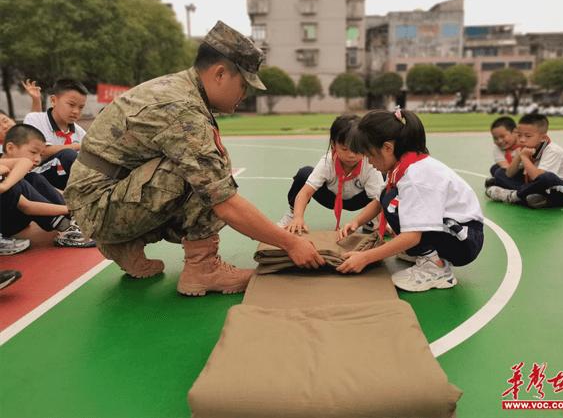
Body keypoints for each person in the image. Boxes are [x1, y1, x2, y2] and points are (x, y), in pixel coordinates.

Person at [64, 20, 324, 297]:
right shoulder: (182, 109)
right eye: (243, 85)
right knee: (207, 174)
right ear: (220, 74)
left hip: (97, 197)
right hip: (99, 205)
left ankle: (125, 244)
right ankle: (203, 269)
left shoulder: (177, 88)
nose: (244, 95)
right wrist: (290, 244)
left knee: (204, 165)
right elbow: (224, 203)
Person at [336, 108, 484, 293]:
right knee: (387, 198)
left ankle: (436, 268)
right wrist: (356, 221)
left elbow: (412, 236)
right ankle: (426, 254)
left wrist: (365, 257)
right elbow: (378, 200)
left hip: (463, 240)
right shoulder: (404, 165)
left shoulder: (416, 177)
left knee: (392, 206)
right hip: (454, 230)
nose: (368, 162)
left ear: (388, 148)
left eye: (370, 155)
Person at [277, 114, 384, 234]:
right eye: (345, 149)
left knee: (383, 186)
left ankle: (373, 220)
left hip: (358, 200)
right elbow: (305, 192)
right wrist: (298, 217)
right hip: (331, 199)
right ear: (333, 144)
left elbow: (379, 200)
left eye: (357, 149)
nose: (351, 155)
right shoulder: (327, 162)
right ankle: (292, 217)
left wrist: (384, 224)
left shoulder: (369, 164)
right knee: (304, 174)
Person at [1, 126, 95, 248]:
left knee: (34, 178)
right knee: (19, 183)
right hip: (6, 224)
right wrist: (70, 209)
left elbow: (50, 190)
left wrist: (80, 204)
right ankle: (65, 226)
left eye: (40, 154)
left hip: (14, 218)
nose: (38, 160)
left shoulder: (18, 171)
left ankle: (74, 220)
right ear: (10, 148)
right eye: (33, 152)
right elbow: (27, 206)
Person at [485, 113, 563, 208]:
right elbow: (509, 174)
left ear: (542, 138)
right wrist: (520, 156)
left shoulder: (552, 150)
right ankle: (535, 199)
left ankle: (512, 196)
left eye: (528, 136)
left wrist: (525, 157)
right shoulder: (527, 147)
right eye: (519, 135)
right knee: (500, 172)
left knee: (546, 177)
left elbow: (538, 177)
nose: (522, 140)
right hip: (541, 189)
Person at [23, 79, 88, 189]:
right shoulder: (35, 119)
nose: (76, 111)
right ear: (54, 100)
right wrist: (77, 146)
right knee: (68, 155)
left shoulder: (80, 132)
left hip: (66, 181)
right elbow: (40, 152)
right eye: (71, 105)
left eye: (81, 107)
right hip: (35, 177)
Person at [485, 116, 519, 187]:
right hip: (512, 171)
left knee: (498, 173)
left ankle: (521, 189)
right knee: (495, 169)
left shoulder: (524, 142)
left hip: (526, 172)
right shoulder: (497, 149)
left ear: (515, 132)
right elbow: (506, 168)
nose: (500, 141)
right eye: (495, 138)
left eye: (503, 136)